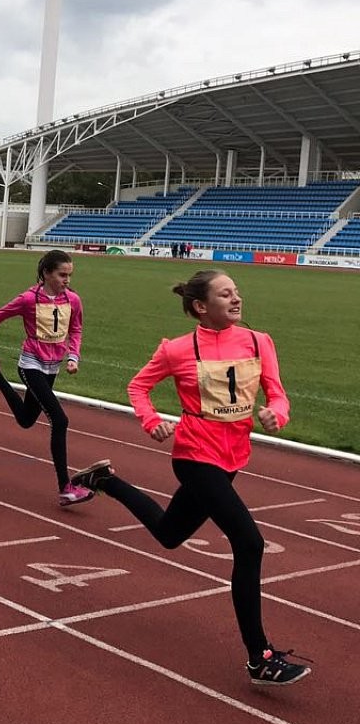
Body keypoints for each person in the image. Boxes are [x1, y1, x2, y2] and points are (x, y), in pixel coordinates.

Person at [70, 269, 311, 687]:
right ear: (201, 307)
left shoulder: (259, 341)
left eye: (237, 292)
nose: (236, 299)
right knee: (250, 543)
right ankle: (260, 656)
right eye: (225, 294)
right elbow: (138, 387)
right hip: (196, 455)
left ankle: (105, 481)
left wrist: (278, 413)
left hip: (234, 456)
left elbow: (277, 391)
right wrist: (150, 421)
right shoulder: (178, 350)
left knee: (169, 533)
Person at [0, 249, 93, 507]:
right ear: (47, 274)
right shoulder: (29, 299)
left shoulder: (73, 300)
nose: (67, 280)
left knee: (26, 419)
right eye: (62, 275)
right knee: (60, 420)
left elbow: (76, 329)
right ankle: (66, 487)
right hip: (31, 364)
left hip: (53, 367)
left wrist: (74, 357)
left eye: (70, 275)